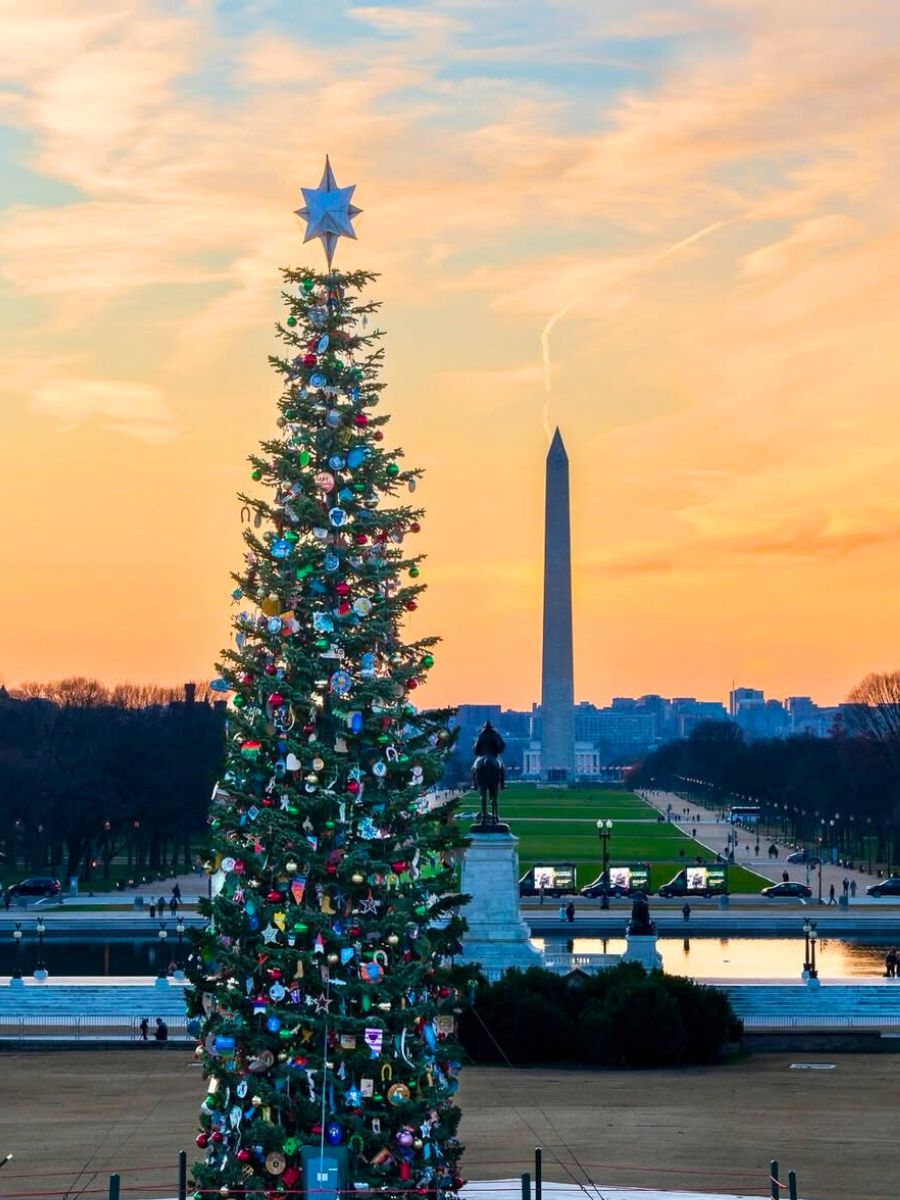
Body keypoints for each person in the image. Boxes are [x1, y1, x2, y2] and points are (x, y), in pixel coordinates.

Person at [473, 720, 506, 789]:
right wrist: (499, 750)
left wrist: (476, 752)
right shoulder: (495, 734)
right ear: (491, 727)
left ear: (484, 727)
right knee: (502, 767)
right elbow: (501, 744)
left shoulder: (481, 734)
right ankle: (502, 784)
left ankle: (475, 785)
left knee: (474, 768)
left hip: (482, 755)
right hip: (493, 755)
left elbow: (476, 746)